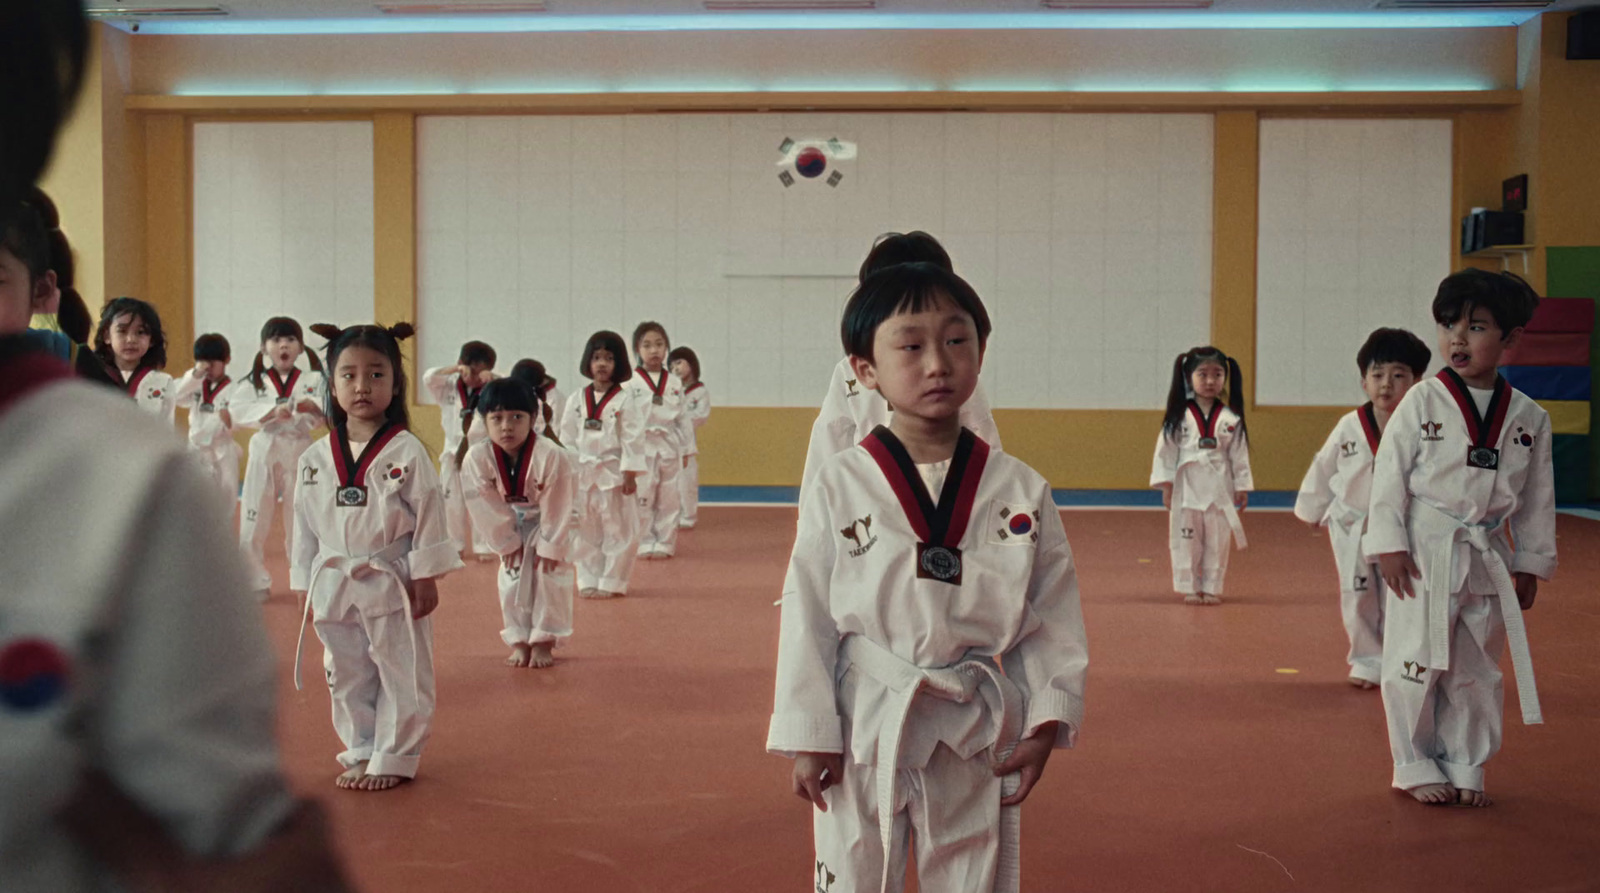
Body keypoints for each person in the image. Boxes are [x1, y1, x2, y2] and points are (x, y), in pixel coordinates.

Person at [0, 209, 352, 892]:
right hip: (231, 448)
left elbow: (216, 809)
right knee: (252, 525)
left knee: (261, 524)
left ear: (40, 291)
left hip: (221, 459)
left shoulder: (132, 474)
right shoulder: (185, 395)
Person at [769, 262, 1088, 892]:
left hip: (969, 724)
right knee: (856, 873)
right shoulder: (840, 483)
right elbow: (806, 611)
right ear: (866, 372)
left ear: (981, 350)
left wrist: (1044, 720)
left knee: (969, 874)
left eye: (956, 340)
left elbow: (1049, 611)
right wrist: (811, 732)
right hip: (865, 718)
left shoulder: (1019, 488)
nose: (937, 363)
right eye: (911, 346)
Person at [1365, 270, 1556, 808]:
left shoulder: (1529, 418)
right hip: (1426, 549)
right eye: (1449, 325)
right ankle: (1413, 760)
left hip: (1488, 552)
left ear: (1511, 339)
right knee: (1416, 656)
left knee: (1476, 665)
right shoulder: (1421, 401)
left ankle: (1466, 760)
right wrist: (1389, 543)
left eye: (1476, 327)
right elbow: (1389, 474)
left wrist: (1530, 562)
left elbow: (1538, 497)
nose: (1457, 339)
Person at [290, 322, 462, 792]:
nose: (361, 386)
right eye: (348, 375)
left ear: (395, 382)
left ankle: (395, 754)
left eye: (376, 374)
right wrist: (304, 583)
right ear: (331, 383)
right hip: (334, 580)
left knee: (400, 667)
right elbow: (302, 526)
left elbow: (429, 513)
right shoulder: (313, 457)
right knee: (345, 671)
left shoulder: (406, 451)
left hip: (391, 577)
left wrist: (426, 575)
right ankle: (361, 747)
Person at [799, 232, 1003, 505]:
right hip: (868, 503)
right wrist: (814, 517)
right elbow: (829, 440)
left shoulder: (952, 372)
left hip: (945, 500)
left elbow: (982, 439)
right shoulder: (849, 373)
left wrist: (997, 496)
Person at [1294, 328, 1431, 688]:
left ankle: (1401, 662)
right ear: (1363, 381)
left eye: (1399, 375)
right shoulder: (1349, 426)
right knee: (1358, 594)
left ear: (1418, 380)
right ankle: (1367, 660)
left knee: (1402, 595)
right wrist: (1314, 507)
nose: (1387, 384)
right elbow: (1324, 467)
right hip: (1352, 524)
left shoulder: (1424, 428)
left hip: (1402, 527)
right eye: (1378, 375)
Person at [461, 373, 577, 669]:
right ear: (484, 420)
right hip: (510, 519)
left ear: (533, 417)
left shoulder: (552, 455)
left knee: (549, 576)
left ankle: (543, 641)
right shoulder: (477, 457)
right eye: (497, 418)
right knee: (511, 576)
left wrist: (551, 545)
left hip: (551, 519)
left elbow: (560, 503)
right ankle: (518, 639)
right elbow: (483, 504)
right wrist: (506, 541)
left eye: (516, 417)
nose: (506, 426)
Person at [230, 317, 326, 596]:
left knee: (302, 514)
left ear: (300, 347)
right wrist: (272, 411)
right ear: (264, 348)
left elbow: (331, 405)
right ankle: (253, 579)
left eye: (290, 339)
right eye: (276, 340)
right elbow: (237, 410)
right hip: (266, 445)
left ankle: (303, 580)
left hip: (300, 447)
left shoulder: (314, 380)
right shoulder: (254, 382)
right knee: (254, 512)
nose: (283, 345)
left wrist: (312, 406)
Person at [1149, 346, 1252, 606]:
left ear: (1225, 379)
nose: (1209, 381)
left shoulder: (1230, 419)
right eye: (1202, 374)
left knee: (1217, 540)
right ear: (1188, 377)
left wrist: (1242, 486)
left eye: (1217, 375)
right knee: (1186, 540)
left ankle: (1212, 587)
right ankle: (1190, 586)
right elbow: (1166, 453)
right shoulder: (1178, 417)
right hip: (1186, 485)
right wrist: (1166, 485)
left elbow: (1238, 456)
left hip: (1219, 486)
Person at [558, 330, 644, 600]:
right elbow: (566, 438)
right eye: (597, 358)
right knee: (585, 528)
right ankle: (587, 577)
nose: (602, 364)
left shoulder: (625, 399)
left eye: (609, 358)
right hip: (583, 473)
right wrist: (567, 472)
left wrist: (630, 473)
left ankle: (613, 580)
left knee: (618, 528)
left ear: (619, 364)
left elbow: (632, 438)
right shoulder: (576, 399)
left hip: (613, 472)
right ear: (588, 362)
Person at [421, 341, 497, 556]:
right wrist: (454, 369)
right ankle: (455, 546)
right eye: (469, 369)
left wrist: (494, 378)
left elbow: (516, 386)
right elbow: (428, 377)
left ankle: (485, 545)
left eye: (479, 371)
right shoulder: (448, 386)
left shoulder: (492, 390)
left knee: (482, 501)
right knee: (451, 502)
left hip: (480, 451)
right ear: (461, 364)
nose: (472, 376)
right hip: (452, 451)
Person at [624, 321, 692, 558]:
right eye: (647, 345)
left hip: (669, 444)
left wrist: (688, 449)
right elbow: (625, 420)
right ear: (637, 350)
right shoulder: (630, 383)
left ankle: (665, 541)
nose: (654, 350)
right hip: (641, 446)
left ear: (667, 349)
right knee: (643, 496)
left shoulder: (674, 382)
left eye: (659, 344)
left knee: (669, 496)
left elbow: (683, 418)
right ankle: (644, 540)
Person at [174, 333, 243, 509]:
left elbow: (238, 419)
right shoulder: (195, 385)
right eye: (203, 363)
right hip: (196, 449)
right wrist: (196, 374)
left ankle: (222, 535)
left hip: (222, 449)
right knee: (194, 499)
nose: (208, 369)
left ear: (227, 360)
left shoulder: (236, 389)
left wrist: (228, 419)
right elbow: (176, 396)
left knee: (226, 497)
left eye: (212, 364)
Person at [93, 297, 175, 424]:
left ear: (152, 339)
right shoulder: (93, 378)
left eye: (140, 332)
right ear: (107, 336)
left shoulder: (164, 382)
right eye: (122, 331)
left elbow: (167, 431)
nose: (131, 339)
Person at [669, 345, 709, 529]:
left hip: (686, 444)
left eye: (679, 363)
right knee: (669, 482)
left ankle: (689, 514)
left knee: (687, 480)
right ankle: (671, 514)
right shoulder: (670, 390)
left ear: (691, 364)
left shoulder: (700, 392)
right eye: (671, 366)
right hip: (668, 443)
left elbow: (702, 415)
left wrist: (682, 420)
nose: (675, 368)